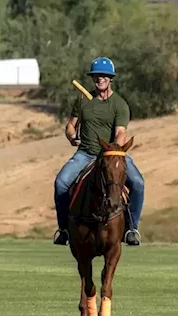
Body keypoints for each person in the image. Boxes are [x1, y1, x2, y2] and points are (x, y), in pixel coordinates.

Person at [52, 57, 145, 247]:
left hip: (111, 155)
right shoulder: (83, 100)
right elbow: (71, 125)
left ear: (111, 78)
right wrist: (71, 136)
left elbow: (120, 133)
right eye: (96, 76)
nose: (99, 79)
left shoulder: (120, 105)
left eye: (104, 76)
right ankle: (63, 230)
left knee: (138, 183)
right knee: (61, 183)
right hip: (85, 153)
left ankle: (131, 229)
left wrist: (111, 152)